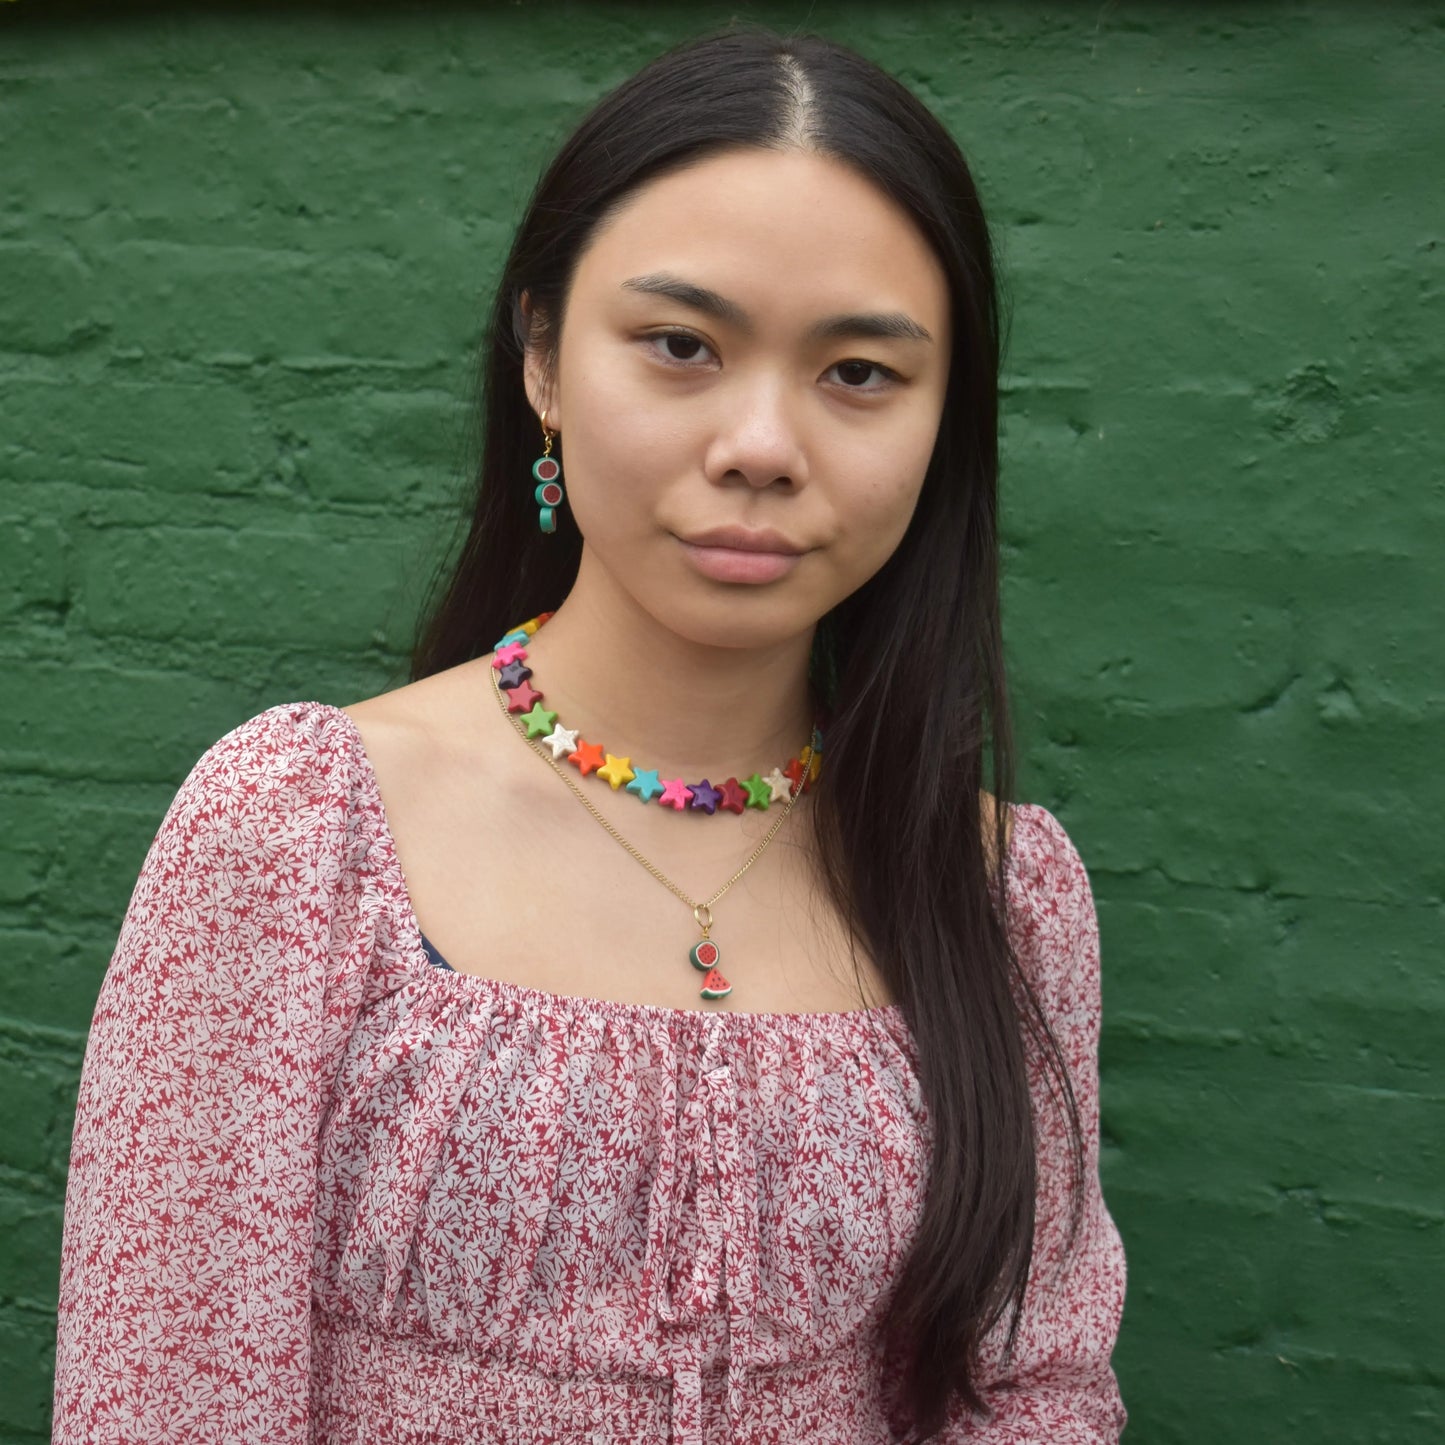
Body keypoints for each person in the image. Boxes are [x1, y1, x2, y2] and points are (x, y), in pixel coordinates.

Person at [52, 22, 1126, 1444]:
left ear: (944, 425)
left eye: (858, 373)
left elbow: (1034, 1395)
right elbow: (166, 1399)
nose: (760, 441)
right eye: (680, 345)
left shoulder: (998, 891)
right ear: (544, 360)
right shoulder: (301, 829)